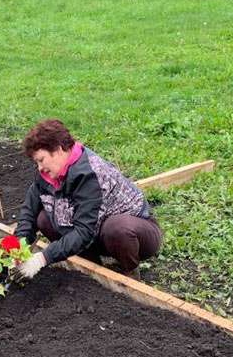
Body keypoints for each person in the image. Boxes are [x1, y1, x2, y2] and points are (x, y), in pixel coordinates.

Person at [13, 119, 162, 281]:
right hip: (95, 233)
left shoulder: (89, 174)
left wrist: (43, 258)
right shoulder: (47, 174)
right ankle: (91, 266)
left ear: (58, 149)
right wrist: (18, 248)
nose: (40, 167)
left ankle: (130, 275)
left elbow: (84, 231)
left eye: (41, 160)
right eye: (36, 162)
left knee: (117, 228)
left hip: (137, 235)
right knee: (44, 219)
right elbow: (29, 212)